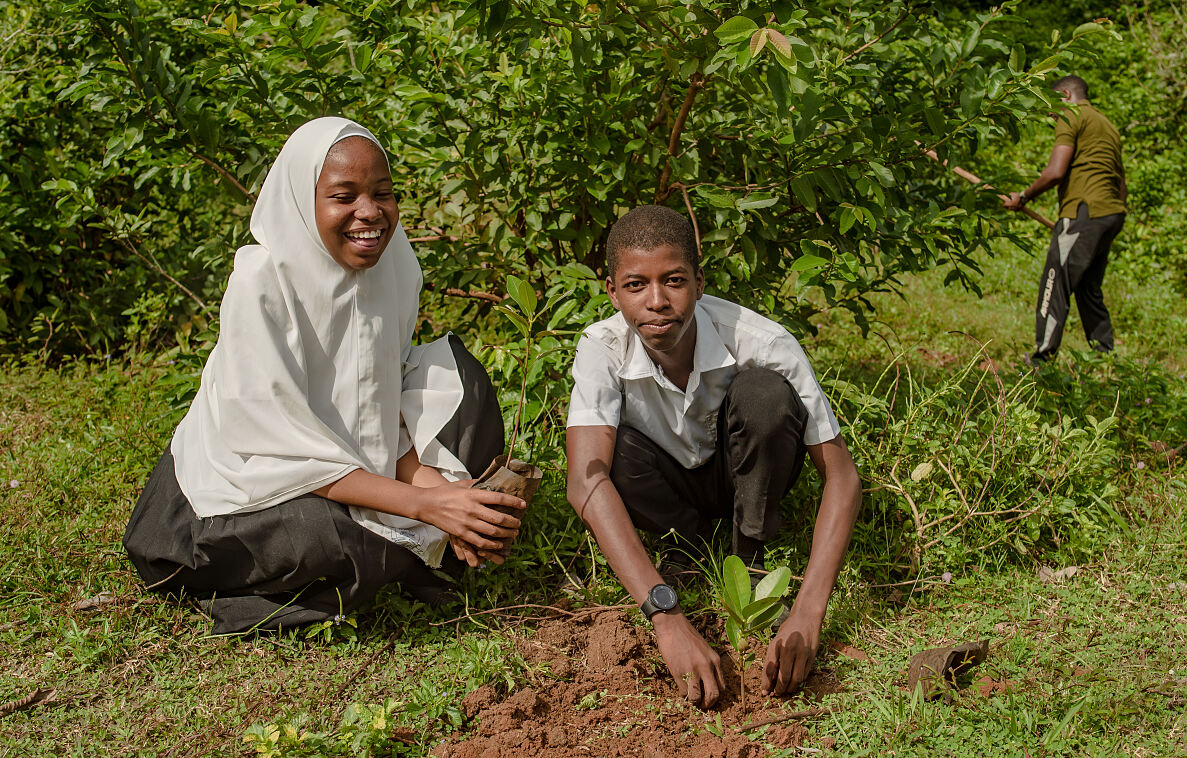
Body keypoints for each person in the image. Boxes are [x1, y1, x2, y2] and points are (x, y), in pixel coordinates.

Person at [124, 117, 525, 635]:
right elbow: (279, 448)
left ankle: (411, 547)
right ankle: (393, 555)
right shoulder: (261, 282)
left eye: (384, 193)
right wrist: (427, 504)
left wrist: (446, 491)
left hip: (349, 470)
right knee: (317, 535)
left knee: (462, 386)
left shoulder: (394, 268)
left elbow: (377, 409)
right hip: (249, 491)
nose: (370, 213)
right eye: (344, 196)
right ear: (301, 202)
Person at [564, 205, 862, 707]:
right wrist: (666, 617)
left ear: (700, 283)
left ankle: (749, 552)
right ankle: (688, 543)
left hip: (740, 477)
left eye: (674, 280)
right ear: (612, 292)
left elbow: (843, 478)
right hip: (664, 486)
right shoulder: (602, 347)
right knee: (601, 455)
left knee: (765, 396)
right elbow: (583, 483)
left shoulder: (762, 341)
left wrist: (809, 612)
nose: (656, 301)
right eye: (636, 285)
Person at [1003, 74, 1127, 364]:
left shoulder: (1071, 115)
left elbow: (1056, 171)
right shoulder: (1106, 124)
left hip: (1082, 211)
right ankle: (1104, 359)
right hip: (1110, 214)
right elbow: (1120, 181)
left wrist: (1023, 196)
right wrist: (1108, 218)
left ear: (1066, 95)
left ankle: (1041, 361)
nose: (1051, 114)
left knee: (1054, 281)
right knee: (1087, 287)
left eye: (1051, 107)